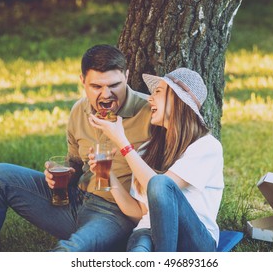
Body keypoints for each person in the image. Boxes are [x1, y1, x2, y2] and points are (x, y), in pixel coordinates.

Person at [0, 44, 152, 252]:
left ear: (127, 76)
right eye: (96, 87)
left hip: (115, 213)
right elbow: (74, 161)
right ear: (82, 81)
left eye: (114, 85)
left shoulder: (150, 114)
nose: (106, 94)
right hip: (75, 200)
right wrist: (64, 172)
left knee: (69, 250)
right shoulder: (79, 110)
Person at [88, 67, 224, 252]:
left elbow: (160, 189)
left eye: (158, 92)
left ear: (178, 101)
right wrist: (106, 174)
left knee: (160, 183)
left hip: (194, 240)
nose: (150, 98)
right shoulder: (148, 149)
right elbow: (138, 212)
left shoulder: (207, 147)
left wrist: (122, 141)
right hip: (147, 233)